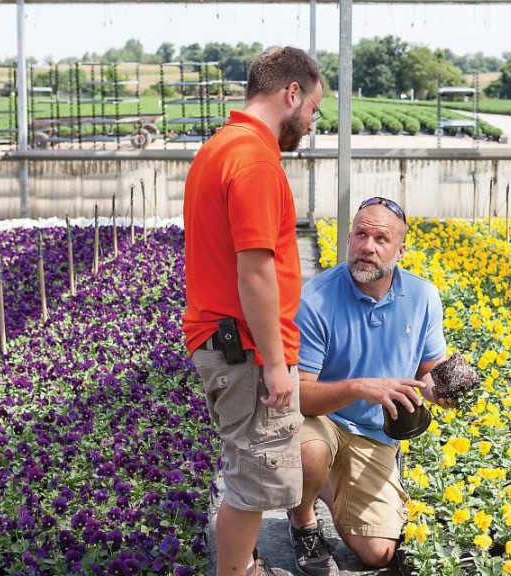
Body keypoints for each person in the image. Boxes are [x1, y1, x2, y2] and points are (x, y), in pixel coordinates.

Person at [182, 46, 323, 576]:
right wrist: (276, 362)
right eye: (312, 108)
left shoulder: (219, 147)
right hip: (245, 349)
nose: (311, 121)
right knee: (251, 483)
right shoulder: (255, 158)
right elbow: (256, 270)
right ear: (291, 93)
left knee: (248, 474)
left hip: (225, 341)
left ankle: (244, 567)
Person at [289, 197, 451, 576]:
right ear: (349, 239)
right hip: (321, 420)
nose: (368, 247)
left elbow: (431, 368)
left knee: (377, 553)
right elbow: (298, 395)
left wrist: (436, 389)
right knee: (309, 452)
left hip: (375, 434)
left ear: (401, 249)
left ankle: (326, 487)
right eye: (361, 234)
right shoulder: (316, 299)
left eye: (381, 238)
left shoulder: (423, 296)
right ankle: (302, 520)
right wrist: (360, 387)